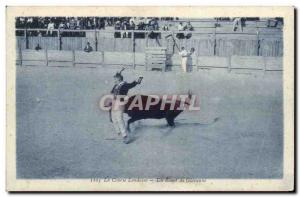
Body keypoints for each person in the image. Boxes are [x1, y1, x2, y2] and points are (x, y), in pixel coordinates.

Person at [110, 68, 143, 144]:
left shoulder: (124, 85)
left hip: (120, 103)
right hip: (114, 103)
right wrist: (120, 71)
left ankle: (125, 136)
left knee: (119, 119)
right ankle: (119, 133)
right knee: (113, 119)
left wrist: (138, 81)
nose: (114, 81)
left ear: (118, 80)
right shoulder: (116, 85)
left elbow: (131, 85)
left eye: (115, 79)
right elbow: (113, 92)